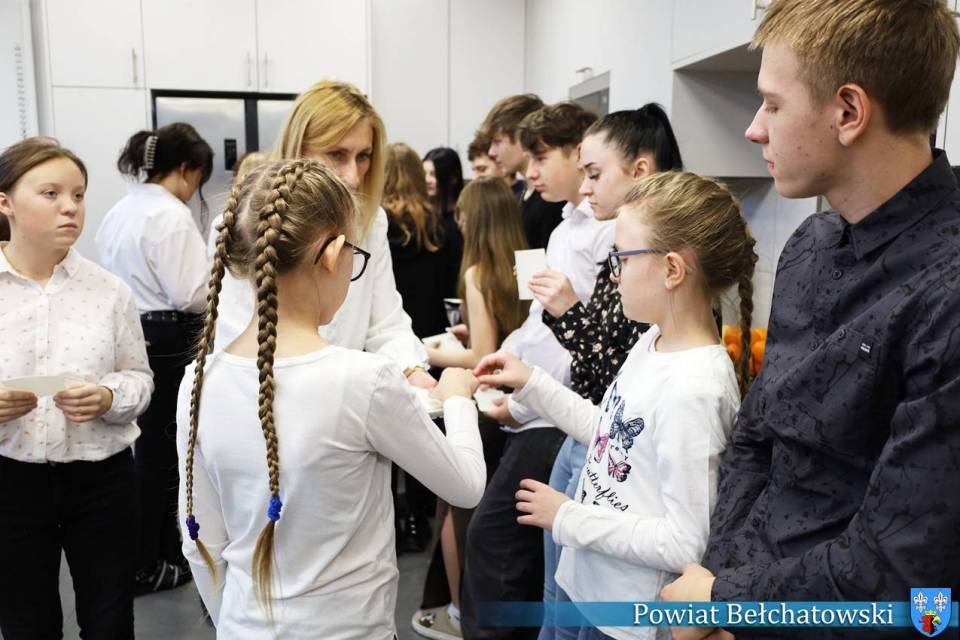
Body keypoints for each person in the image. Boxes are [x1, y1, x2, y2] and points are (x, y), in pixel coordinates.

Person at [660, 2, 960, 640]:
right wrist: (717, 586)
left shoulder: (947, 292)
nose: (753, 129)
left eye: (772, 104)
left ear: (848, 112)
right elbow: (757, 438)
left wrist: (723, 600)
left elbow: (899, 567)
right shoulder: (810, 246)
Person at [176, 158, 485, 638]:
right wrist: (459, 397)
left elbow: (201, 539)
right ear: (334, 254)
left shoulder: (199, 380)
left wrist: (232, 622)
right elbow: (465, 486)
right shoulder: (365, 380)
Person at [476, 170, 755, 640]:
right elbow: (610, 432)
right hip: (592, 590)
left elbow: (684, 541)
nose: (613, 274)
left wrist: (568, 517)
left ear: (672, 269)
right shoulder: (652, 340)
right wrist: (532, 383)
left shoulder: (695, 389)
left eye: (621, 258)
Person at [529, 103, 684, 640]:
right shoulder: (627, 260)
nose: (585, 187)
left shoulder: (681, 359)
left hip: (613, 455)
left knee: (575, 609)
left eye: (595, 174)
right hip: (593, 437)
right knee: (560, 595)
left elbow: (608, 374)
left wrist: (569, 312)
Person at [460, 102, 612, 640]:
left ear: (578, 152)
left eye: (542, 158)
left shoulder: (605, 233)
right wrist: (500, 372)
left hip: (561, 413)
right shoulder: (566, 227)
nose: (531, 172)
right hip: (539, 404)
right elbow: (537, 325)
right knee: (524, 558)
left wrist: (521, 400)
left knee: (500, 545)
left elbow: (579, 348)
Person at [0, 137, 153, 639]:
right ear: (5, 203)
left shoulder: (110, 291)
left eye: (79, 195)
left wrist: (109, 398)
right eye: (51, 194)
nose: (70, 207)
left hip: (101, 479)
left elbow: (139, 378)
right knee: (26, 622)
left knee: (109, 621)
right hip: (11, 478)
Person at [213, 80, 434, 389]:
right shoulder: (247, 225)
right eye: (337, 154)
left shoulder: (371, 223)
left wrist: (413, 372)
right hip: (268, 394)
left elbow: (385, 324)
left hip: (343, 395)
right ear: (298, 149)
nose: (353, 177)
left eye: (363, 156)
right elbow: (238, 338)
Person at [96, 122, 214, 594]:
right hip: (169, 336)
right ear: (186, 168)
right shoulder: (170, 215)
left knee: (145, 449)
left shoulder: (119, 210)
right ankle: (154, 559)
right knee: (167, 453)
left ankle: (146, 556)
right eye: (198, 178)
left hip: (131, 330)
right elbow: (190, 294)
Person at [383, 141, 461, 553]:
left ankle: (391, 523)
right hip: (430, 344)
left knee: (383, 435)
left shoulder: (376, 228)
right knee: (423, 436)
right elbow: (451, 288)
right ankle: (418, 517)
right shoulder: (441, 227)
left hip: (385, 343)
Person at [426, 176, 530, 370]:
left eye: (462, 215)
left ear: (473, 220)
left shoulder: (478, 276)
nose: (460, 223)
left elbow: (481, 357)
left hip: (497, 380)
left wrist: (424, 353)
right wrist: (475, 331)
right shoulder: (526, 264)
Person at [480, 94, 564, 248]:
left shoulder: (551, 200)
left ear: (522, 137)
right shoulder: (522, 196)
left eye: (497, 142)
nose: (491, 152)